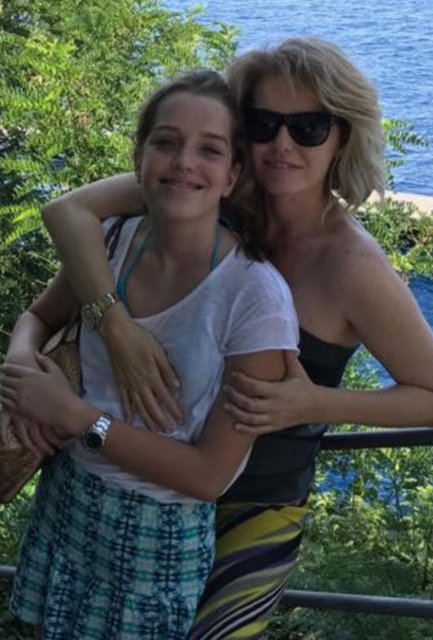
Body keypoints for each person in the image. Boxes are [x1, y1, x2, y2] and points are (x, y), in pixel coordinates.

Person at [37, 37, 433, 639]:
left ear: (342, 136)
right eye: (264, 125)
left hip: (257, 497)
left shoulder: (351, 265)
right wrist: (116, 326)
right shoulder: (213, 191)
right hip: (143, 479)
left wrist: (314, 402)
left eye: (308, 127)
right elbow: (68, 214)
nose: (283, 144)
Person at [0, 69, 299, 640]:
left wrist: (78, 416)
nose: (184, 162)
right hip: (67, 500)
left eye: (209, 149)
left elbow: (209, 476)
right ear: (138, 160)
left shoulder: (254, 298)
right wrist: (19, 368)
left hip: (157, 537)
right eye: (166, 142)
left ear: (233, 175)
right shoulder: (113, 242)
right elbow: (37, 318)